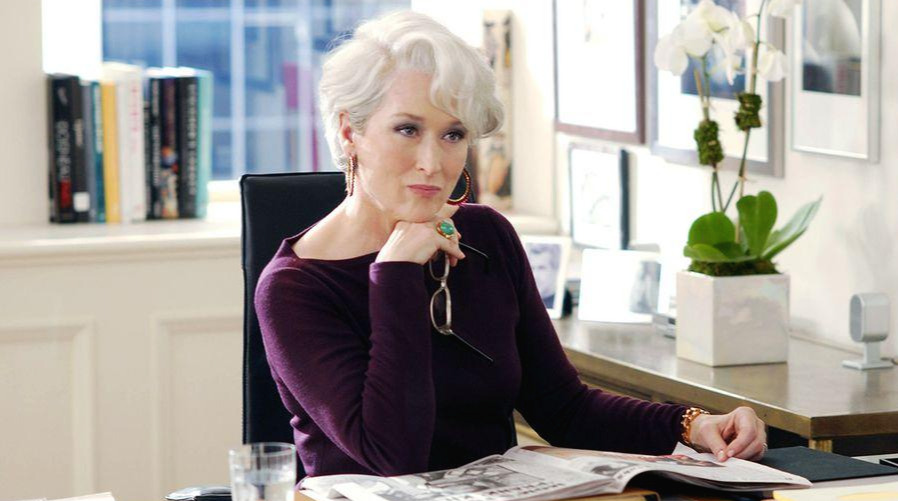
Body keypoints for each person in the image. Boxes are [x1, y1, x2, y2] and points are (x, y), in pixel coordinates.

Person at [254, 10, 767, 479]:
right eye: (407, 129)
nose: (432, 162)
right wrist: (394, 275)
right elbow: (394, 455)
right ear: (349, 131)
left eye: (453, 134)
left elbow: (563, 407)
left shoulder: (487, 236)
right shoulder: (293, 288)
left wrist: (692, 424)